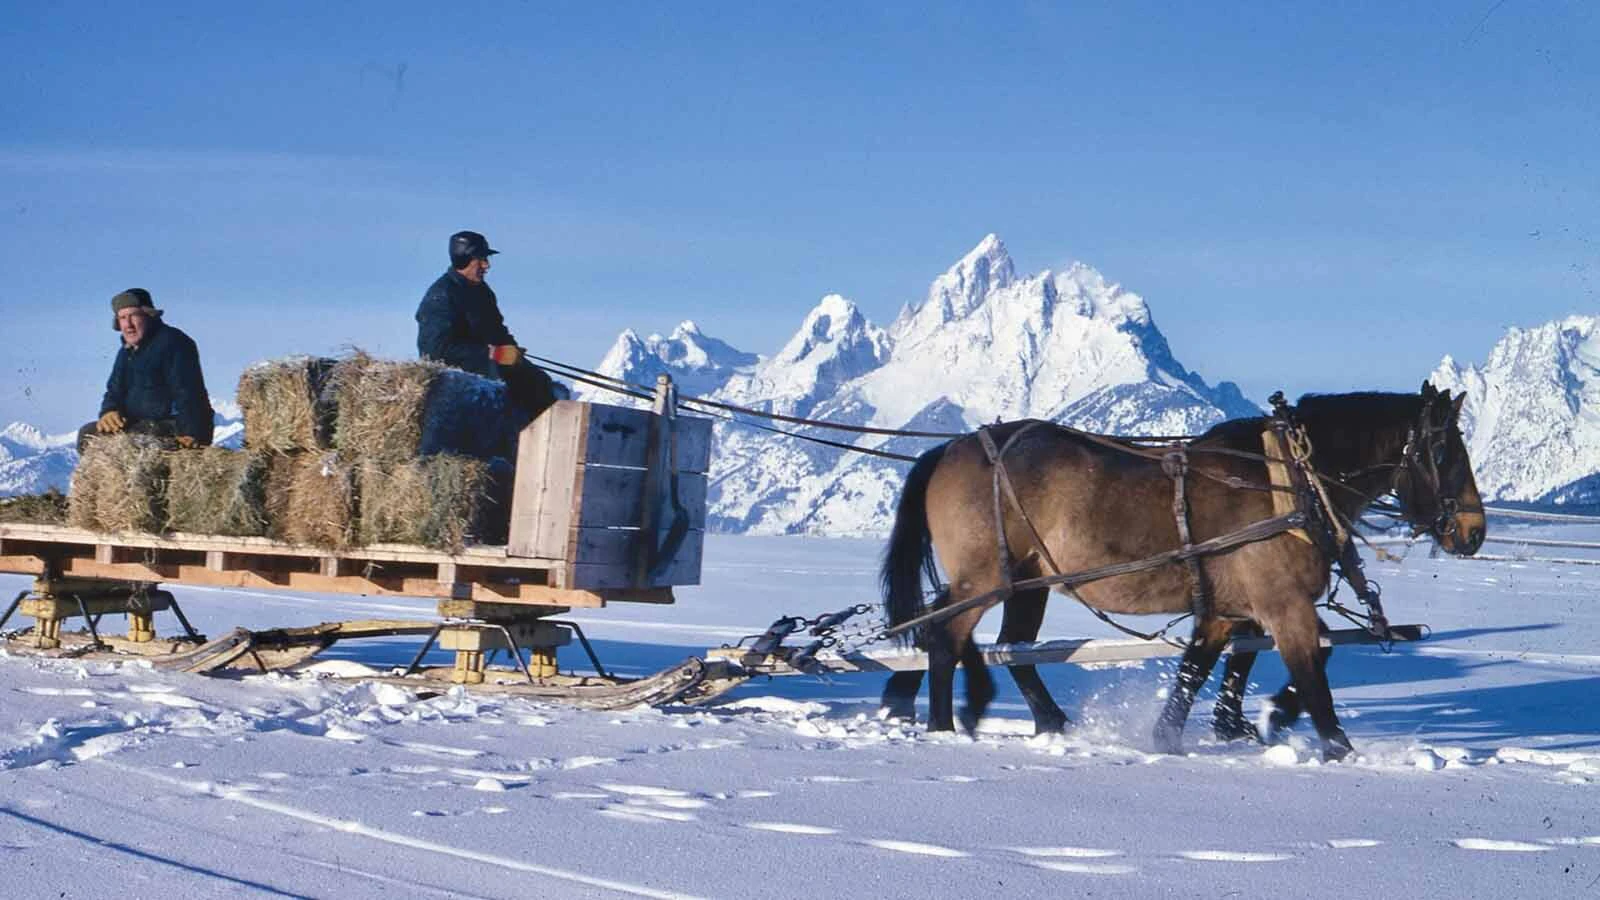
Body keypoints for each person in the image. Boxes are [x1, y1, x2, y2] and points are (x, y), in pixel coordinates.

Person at [415, 230, 559, 418]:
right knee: (498, 392)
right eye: (481, 260)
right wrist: (489, 353)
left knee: (539, 383)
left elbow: (497, 329)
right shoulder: (441, 296)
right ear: (463, 260)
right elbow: (435, 351)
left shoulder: (482, 292)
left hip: (489, 364)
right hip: (457, 373)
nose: (487, 265)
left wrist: (512, 351)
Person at [78, 289, 213, 453]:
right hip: (140, 424)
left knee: (136, 441)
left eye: (133, 315)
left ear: (149, 315)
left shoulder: (174, 343)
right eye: (122, 318)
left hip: (172, 425)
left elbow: (188, 393)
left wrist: (191, 433)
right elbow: (114, 390)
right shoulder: (126, 352)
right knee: (87, 435)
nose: (128, 325)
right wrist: (109, 411)